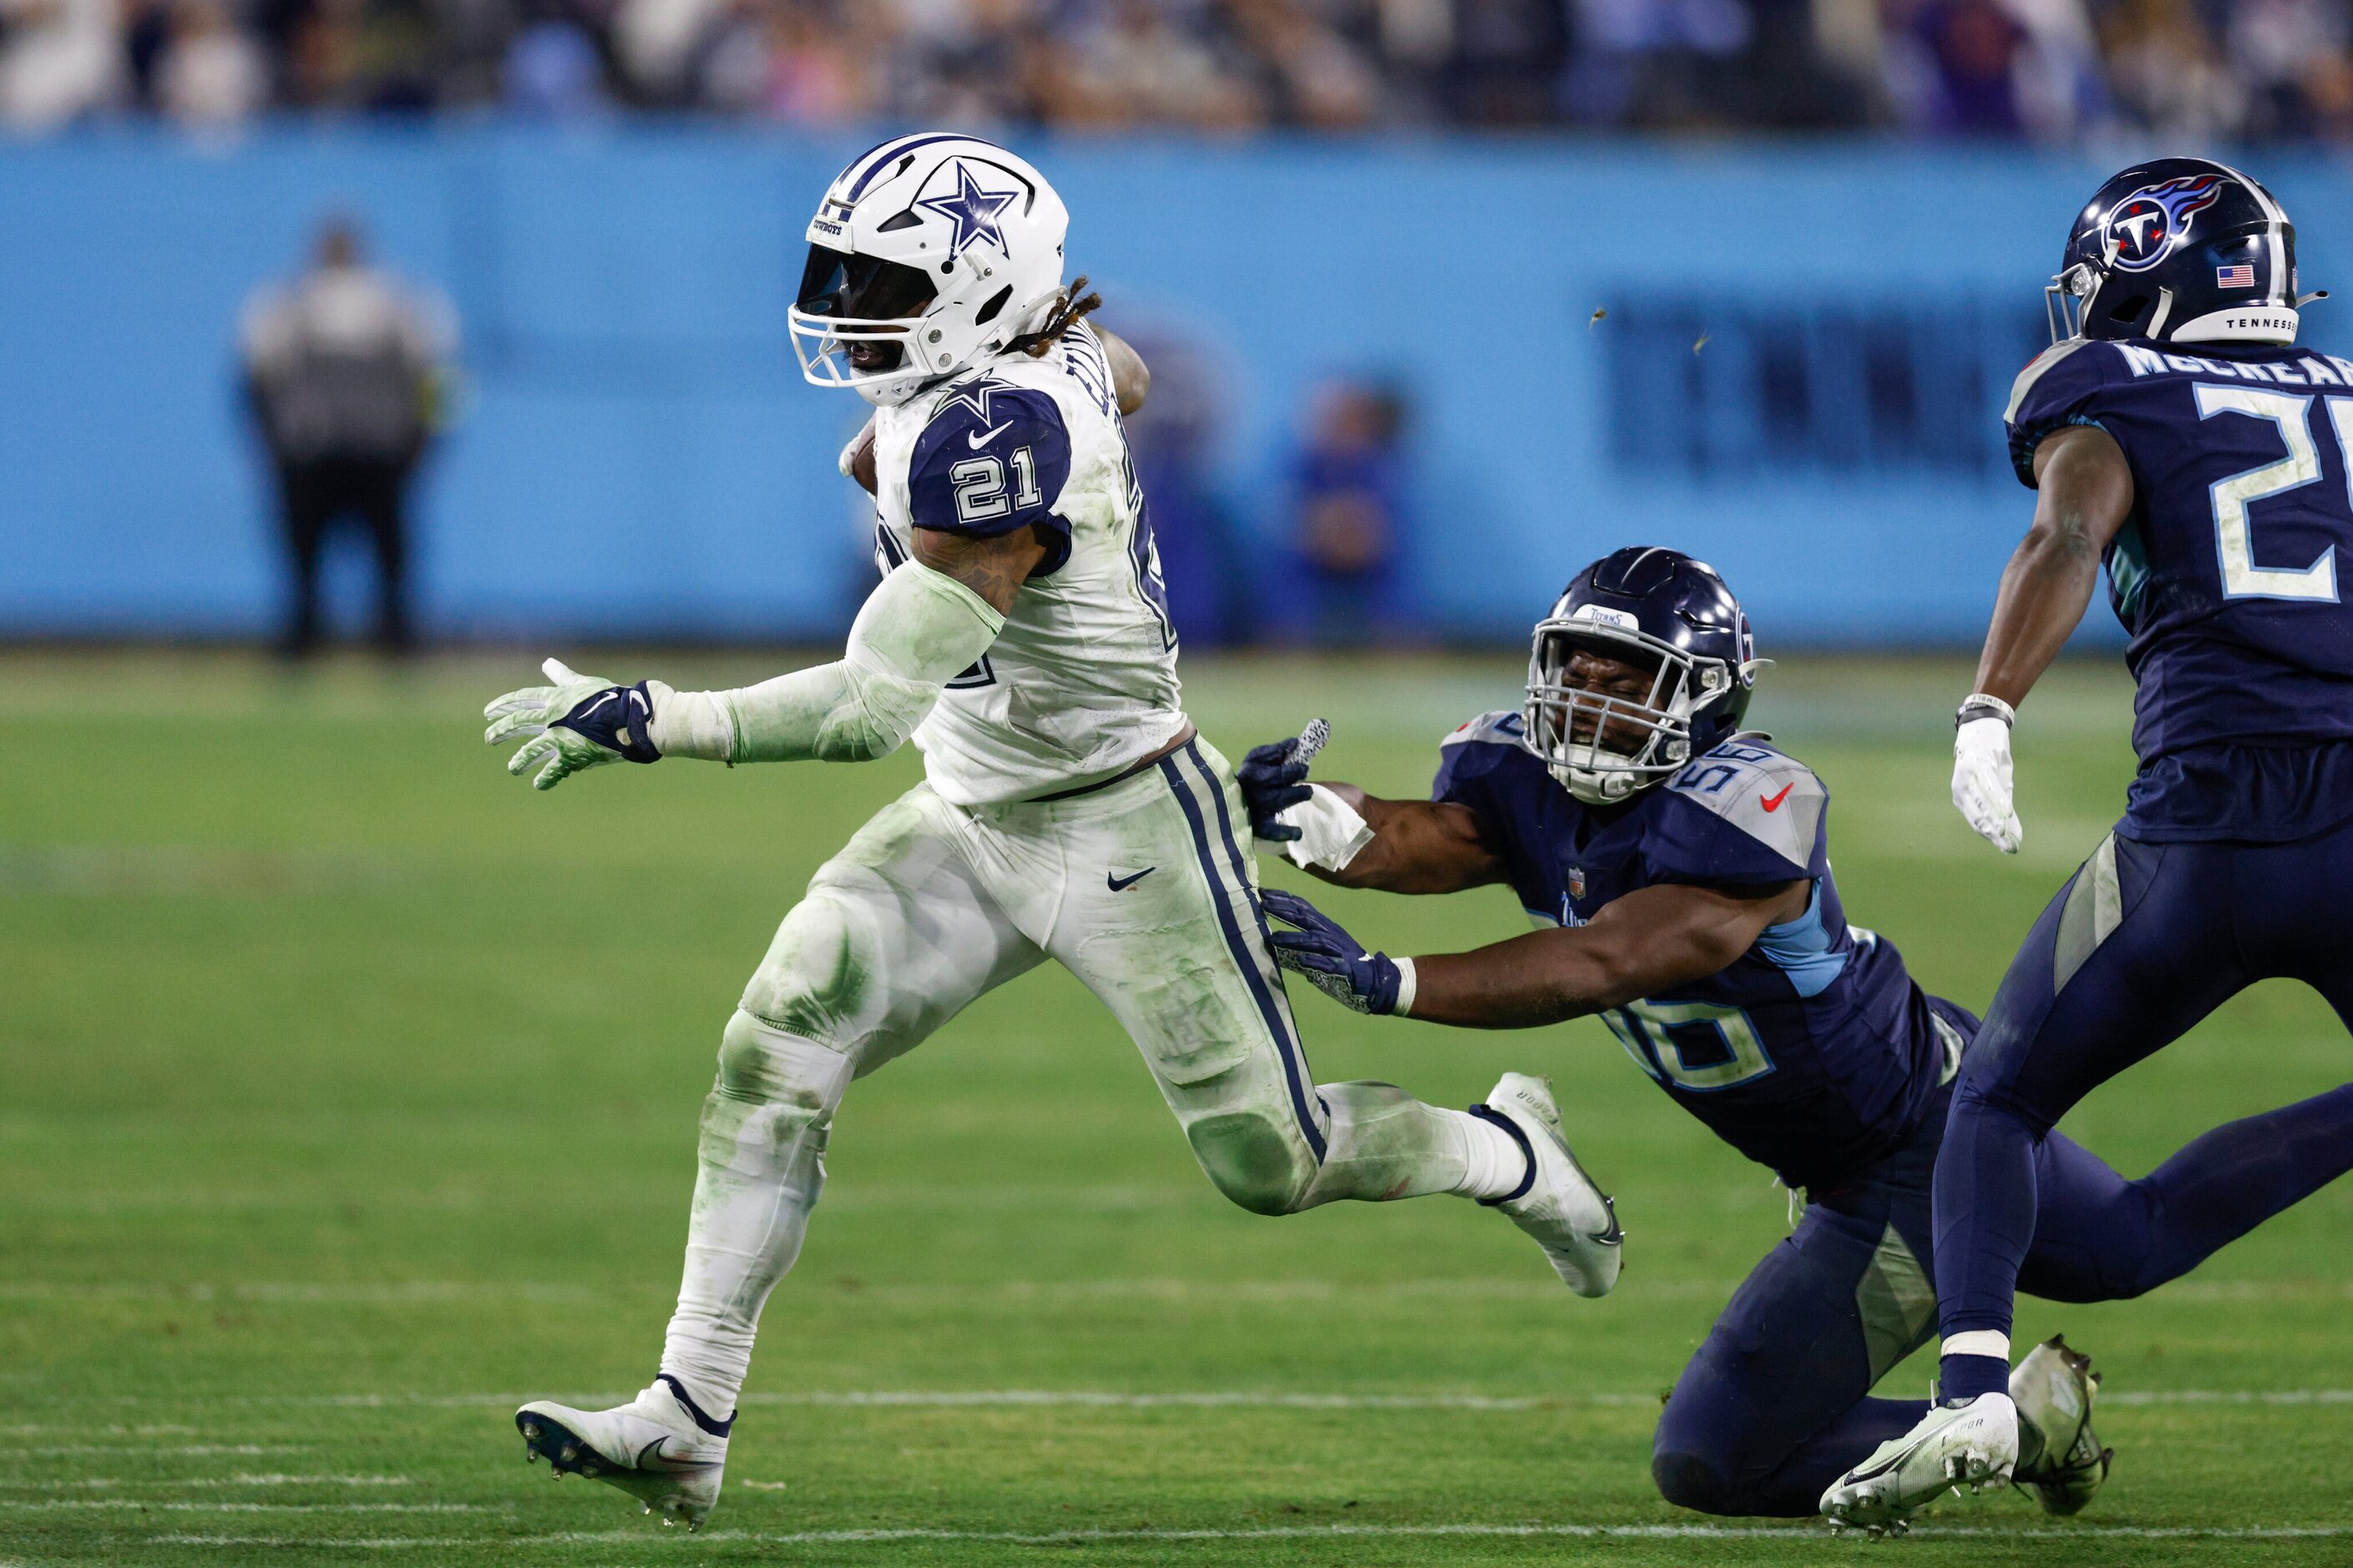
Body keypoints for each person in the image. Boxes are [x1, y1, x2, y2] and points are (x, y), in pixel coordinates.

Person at [479, 134, 1618, 1532]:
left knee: (1272, 1160)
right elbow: (1115, 370)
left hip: (1123, 815)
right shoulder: (1020, 374)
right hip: (968, 811)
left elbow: (860, 709)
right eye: (835, 269)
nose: (840, 303)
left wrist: (652, 716)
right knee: (770, 1052)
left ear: (976, 290)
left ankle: (1507, 1152)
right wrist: (1042, 374)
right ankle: (685, 1416)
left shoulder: (989, 438)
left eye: (877, 279)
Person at [1234, 546, 2353, 1527]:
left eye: (1626, 682)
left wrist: (1394, 982)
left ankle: (2004, 1430)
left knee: (1713, 1459)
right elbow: (1437, 833)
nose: (1586, 702)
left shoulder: (1745, 804)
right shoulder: (1516, 768)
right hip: (1912, 1089)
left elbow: (1608, 958)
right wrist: (1321, 822)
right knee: (2125, 1246)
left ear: (1704, 700)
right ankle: (2025, 1419)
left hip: (1897, 1153)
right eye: (1573, 669)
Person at [1822, 158, 2353, 1528]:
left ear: (2146, 268)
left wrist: (1988, 701)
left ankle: (1975, 1388)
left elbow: (2067, 525)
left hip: (2204, 827)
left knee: (1995, 1098)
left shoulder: (2110, 388)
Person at [240, 217, 452, 657]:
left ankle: (309, 644)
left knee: (314, 561)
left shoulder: (290, 302)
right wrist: (424, 443)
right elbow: (438, 379)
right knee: (378, 559)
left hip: (321, 452)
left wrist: (273, 444)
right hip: (374, 452)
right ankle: (391, 645)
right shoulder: (398, 304)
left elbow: (255, 378)